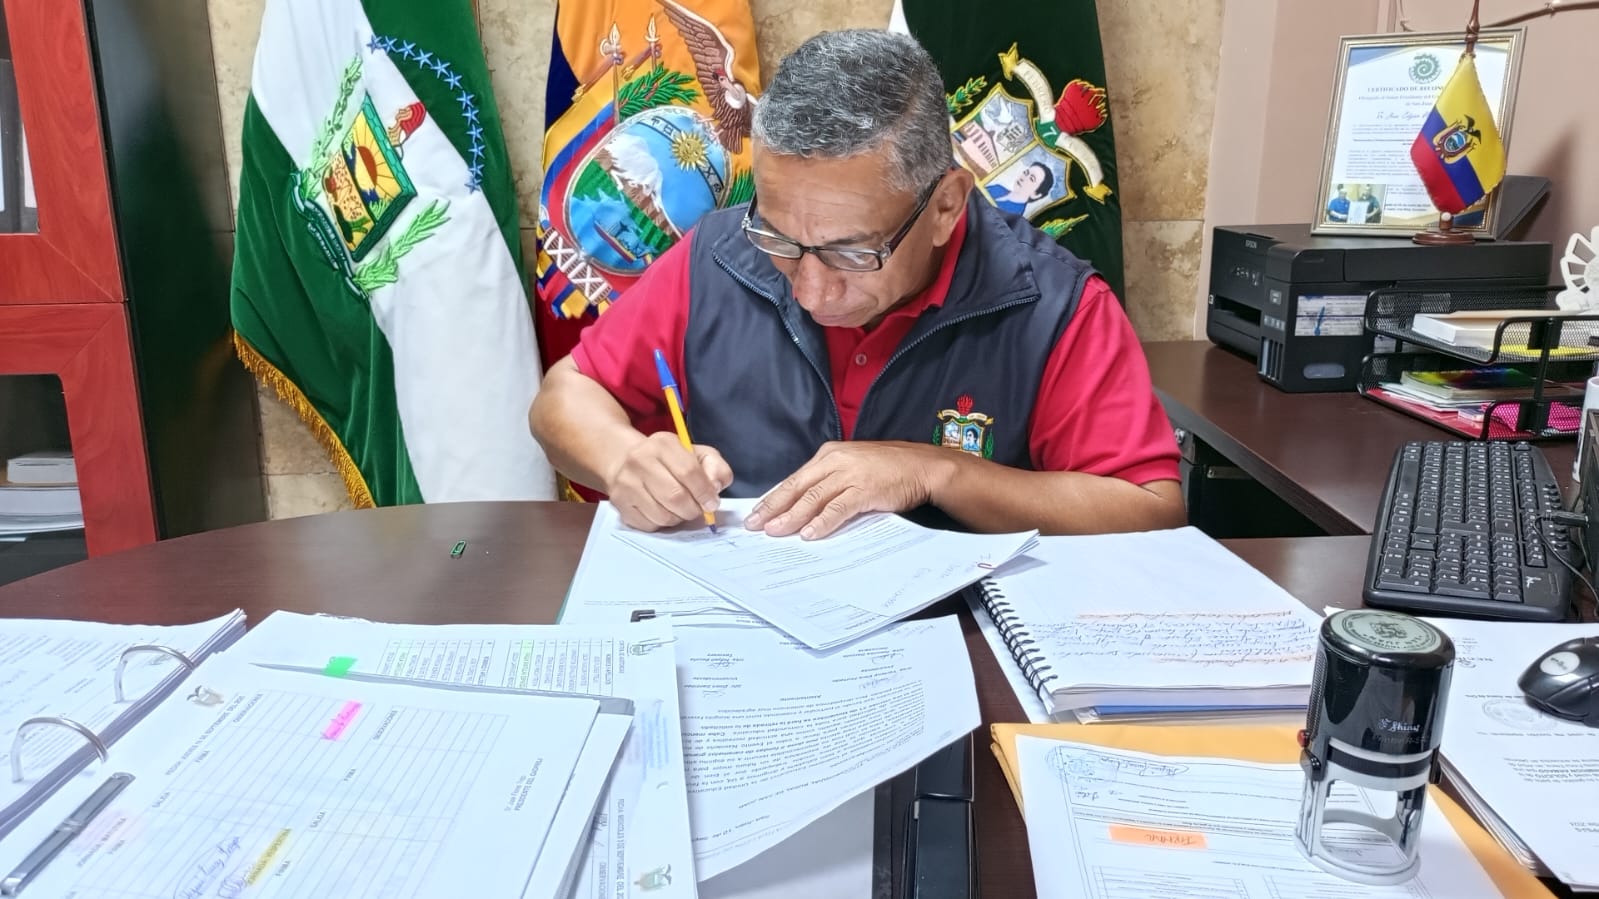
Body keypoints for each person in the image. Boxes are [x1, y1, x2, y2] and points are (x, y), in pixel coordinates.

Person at [529, 28, 1184, 539]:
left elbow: (1148, 511)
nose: (812, 292)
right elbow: (564, 396)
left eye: (852, 253)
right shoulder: (717, 254)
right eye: (781, 239)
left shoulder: (1052, 302)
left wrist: (938, 472)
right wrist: (624, 459)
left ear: (946, 206)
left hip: (956, 637)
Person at [986, 161, 1054, 215]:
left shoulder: (1014, 214)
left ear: (1036, 195)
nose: (1023, 178)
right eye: (1026, 173)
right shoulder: (998, 188)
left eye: (1031, 179)